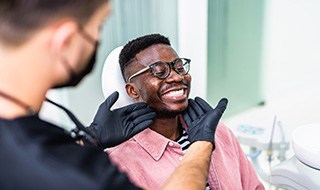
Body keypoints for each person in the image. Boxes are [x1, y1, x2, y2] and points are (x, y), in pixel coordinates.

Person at [0, 1, 227, 189]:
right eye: (97, 27)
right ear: (66, 41)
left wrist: (89, 138)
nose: (96, 41)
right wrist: (201, 144)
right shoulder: (84, 174)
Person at [105, 34, 265, 190]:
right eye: (159, 71)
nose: (176, 76)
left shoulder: (217, 132)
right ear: (133, 91)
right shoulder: (119, 164)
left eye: (180, 67)